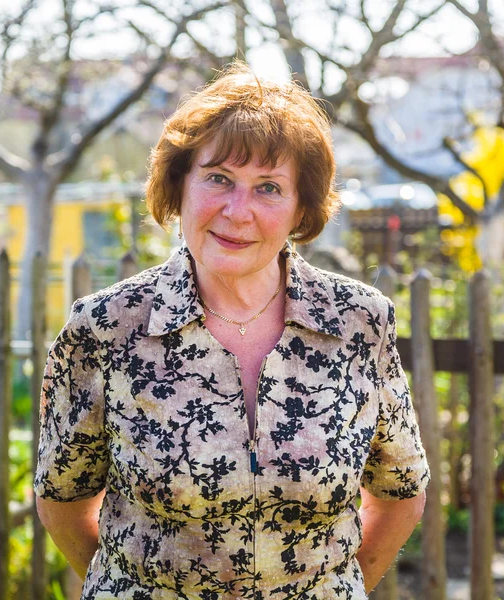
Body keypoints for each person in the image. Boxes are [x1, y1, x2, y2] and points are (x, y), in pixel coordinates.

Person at [35, 62, 429, 600]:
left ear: (299, 210)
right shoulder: (105, 328)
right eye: (218, 178)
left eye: (268, 188)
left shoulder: (359, 321)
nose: (237, 211)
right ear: (180, 186)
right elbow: (62, 499)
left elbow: (400, 493)